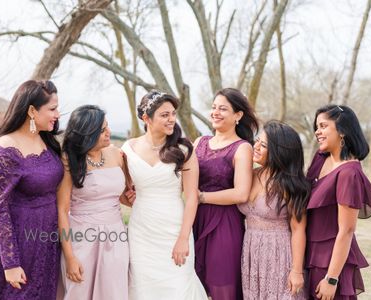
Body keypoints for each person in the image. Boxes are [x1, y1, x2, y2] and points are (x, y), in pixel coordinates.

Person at [0, 80, 64, 299]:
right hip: (19, 241)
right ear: (32, 110)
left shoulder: (48, 142)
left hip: (47, 239)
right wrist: (10, 263)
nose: (58, 114)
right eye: (52, 109)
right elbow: (0, 207)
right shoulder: (6, 147)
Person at [121, 90, 208, 300]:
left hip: (174, 229)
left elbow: (192, 197)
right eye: (164, 115)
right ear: (146, 118)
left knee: (178, 287)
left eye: (173, 114)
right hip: (141, 231)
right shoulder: (128, 149)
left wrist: (183, 238)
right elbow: (122, 190)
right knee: (143, 288)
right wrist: (127, 198)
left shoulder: (184, 150)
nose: (171, 119)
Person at [57, 105, 132, 300]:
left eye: (108, 127)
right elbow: (62, 209)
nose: (109, 132)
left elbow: (121, 194)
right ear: (86, 134)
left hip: (116, 235)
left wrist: (130, 199)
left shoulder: (117, 154)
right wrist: (71, 257)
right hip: (82, 238)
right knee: (79, 292)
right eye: (102, 130)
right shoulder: (69, 160)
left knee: (113, 291)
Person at [306, 104, 371, 300]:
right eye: (317, 127)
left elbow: (346, 231)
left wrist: (331, 279)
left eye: (323, 126)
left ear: (342, 131)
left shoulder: (349, 173)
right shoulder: (321, 158)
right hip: (309, 254)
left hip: (330, 262)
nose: (317, 132)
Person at [193, 88, 257, 300]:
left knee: (222, 285)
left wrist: (201, 197)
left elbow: (241, 193)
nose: (215, 113)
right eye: (213, 108)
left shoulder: (242, 148)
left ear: (238, 115)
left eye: (223, 109)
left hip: (224, 224)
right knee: (193, 284)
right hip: (195, 220)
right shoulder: (199, 142)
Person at [238, 121, 310, 299]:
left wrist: (297, 271)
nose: (256, 147)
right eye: (257, 141)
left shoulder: (289, 185)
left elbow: (298, 229)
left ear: (279, 151)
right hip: (251, 250)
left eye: (263, 145)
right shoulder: (251, 174)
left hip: (279, 252)